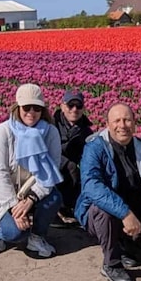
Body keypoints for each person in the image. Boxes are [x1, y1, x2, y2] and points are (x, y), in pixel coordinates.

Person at [76, 103, 141, 281]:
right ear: (107, 124)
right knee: (103, 210)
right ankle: (111, 263)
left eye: (127, 120)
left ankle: (126, 247)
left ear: (135, 123)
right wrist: (124, 213)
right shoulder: (95, 148)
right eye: (117, 120)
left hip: (138, 212)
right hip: (104, 215)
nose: (122, 125)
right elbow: (91, 186)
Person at [0, 84, 64, 258]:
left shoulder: (50, 133)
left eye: (37, 108)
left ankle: (37, 236)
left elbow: (50, 173)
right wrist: (13, 207)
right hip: (1, 195)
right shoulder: (3, 131)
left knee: (55, 197)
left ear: (43, 110)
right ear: (17, 107)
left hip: (30, 192)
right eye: (26, 107)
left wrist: (31, 199)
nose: (31, 112)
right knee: (16, 234)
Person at [53, 89, 93, 223]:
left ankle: (71, 209)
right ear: (62, 106)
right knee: (70, 168)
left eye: (79, 106)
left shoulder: (86, 131)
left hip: (74, 173)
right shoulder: (52, 124)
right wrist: (66, 163)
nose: (74, 109)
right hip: (52, 165)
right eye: (70, 105)